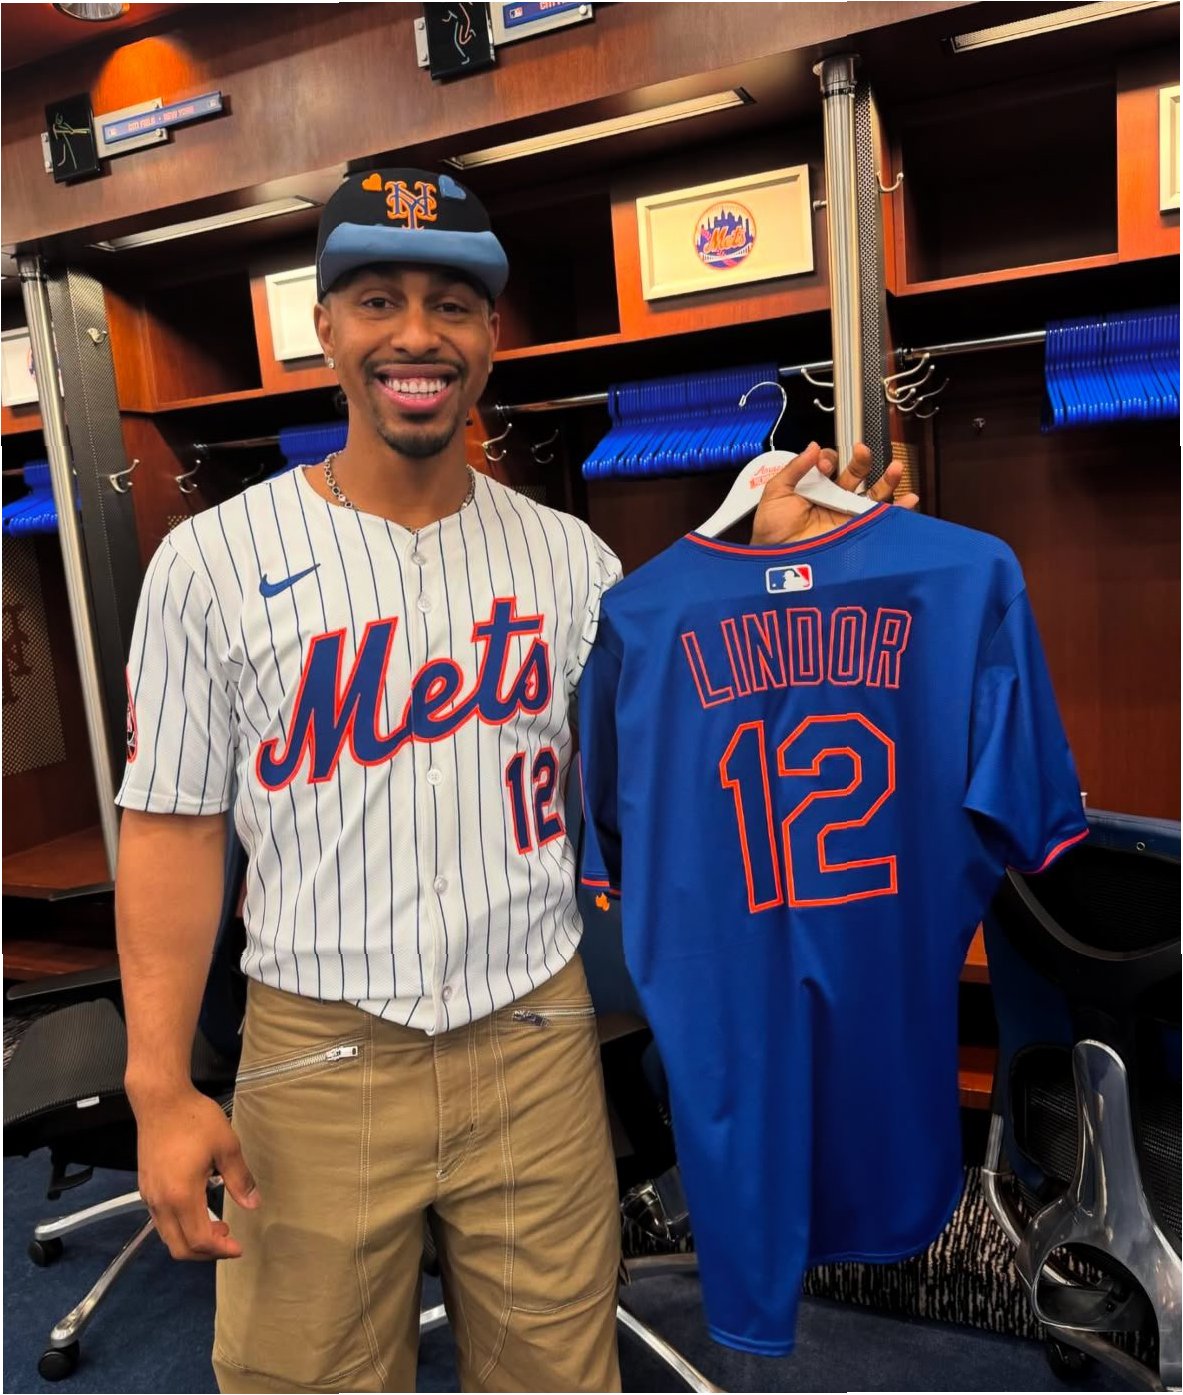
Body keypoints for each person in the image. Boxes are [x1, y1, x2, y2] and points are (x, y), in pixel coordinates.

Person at [114, 167, 916, 1394]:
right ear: (324, 328)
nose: (417, 335)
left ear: (491, 335)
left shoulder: (572, 561)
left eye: (453, 304)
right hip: (317, 1052)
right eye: (377, 300)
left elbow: (683, 759)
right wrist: (160, 1086)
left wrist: (786, 580)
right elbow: (171, 829)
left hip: (532, 1040)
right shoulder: (208, 561)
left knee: (557, 1374)